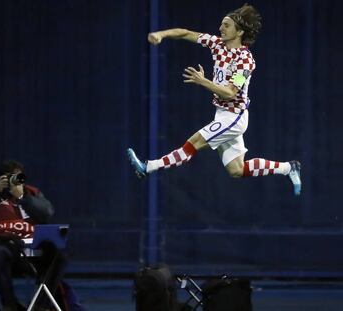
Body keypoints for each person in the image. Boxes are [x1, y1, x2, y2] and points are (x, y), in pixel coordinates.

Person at [127, 4, 302, 195]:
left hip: (234, 117)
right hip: (222, 114)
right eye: (221, 24)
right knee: (237, 170)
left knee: (192, 145)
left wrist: (203, 81)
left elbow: (230, 93)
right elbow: (185, 33)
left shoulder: (245, 61)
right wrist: (162, 34)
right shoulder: (216, 44)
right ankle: (288, 168)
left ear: (240, 32)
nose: (221, 28)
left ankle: (148, 167)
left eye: (226, 25)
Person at [0, 160, 67, 311]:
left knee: (59, 254)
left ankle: (41, 306)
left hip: (31, 248)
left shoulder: (32, 193)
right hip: (4, 246)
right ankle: (10, 305)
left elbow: (46, 214)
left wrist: (24, 197)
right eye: (9, 177)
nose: (14, 181)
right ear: (1, 179)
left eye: (18, 177)